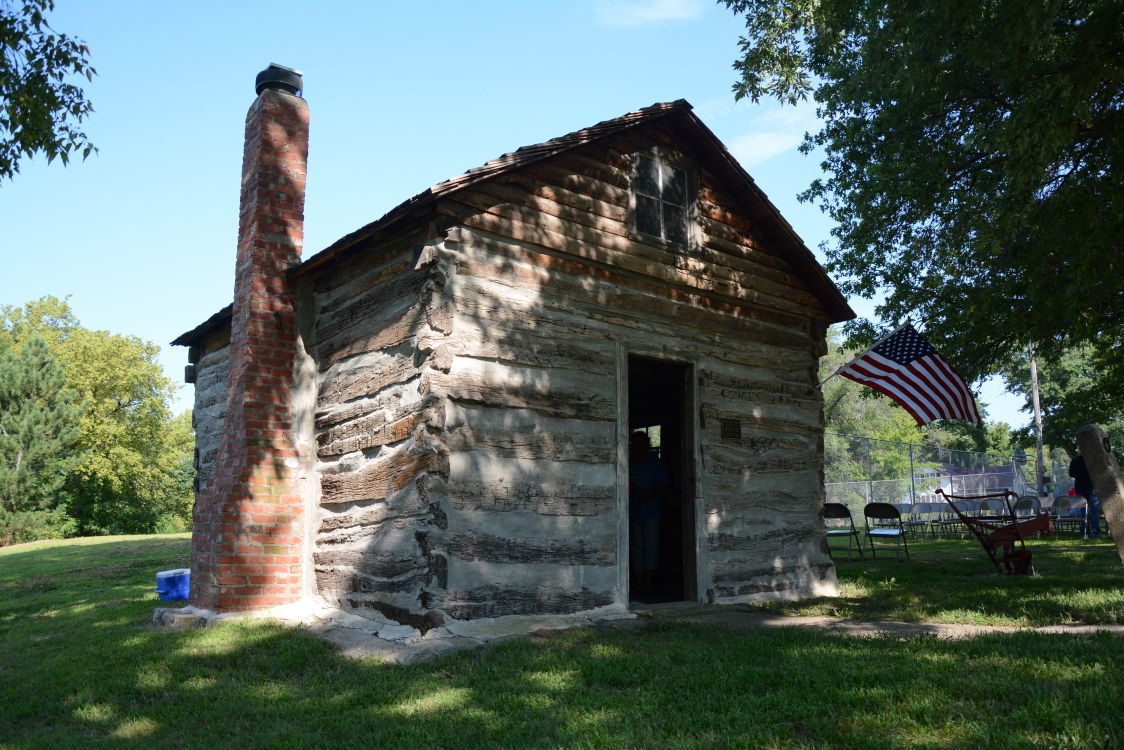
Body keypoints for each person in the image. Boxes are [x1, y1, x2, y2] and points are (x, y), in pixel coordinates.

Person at [629, 431, 670, 594]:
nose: (637, 447)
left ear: (646, 445)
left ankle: (649, 584)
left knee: (651, 546)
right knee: (635, 548)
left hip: (652, 510)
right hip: (633, 510)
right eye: (634, 443)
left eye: (640, 443)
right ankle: (639, 583)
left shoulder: (654, 462)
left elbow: (664, 485)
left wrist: (649, 493)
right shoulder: (629, 462)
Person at [1068, 453, 1103, 538]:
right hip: (1091, 488)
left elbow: (1071, 474)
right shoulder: (1092, 460)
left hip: (1080, 488)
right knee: (1094, 512)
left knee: (1083, 512)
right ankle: (1096, 533)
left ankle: (1085, 532)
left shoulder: (1075, 460)